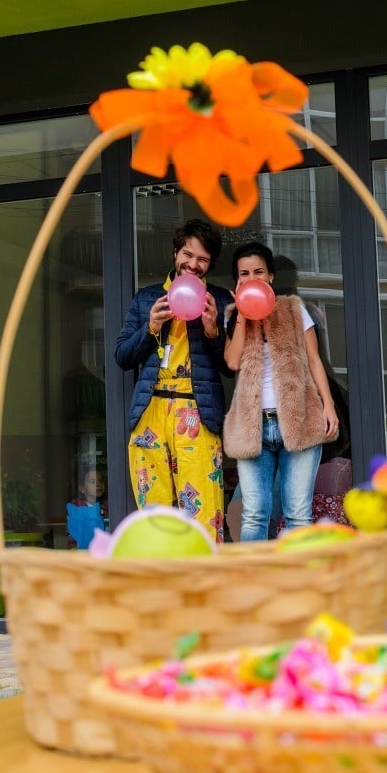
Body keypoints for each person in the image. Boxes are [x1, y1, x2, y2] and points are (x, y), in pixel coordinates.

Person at [115, 218, 233, 542]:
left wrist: (213, 332)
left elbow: (232, 367)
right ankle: (161, 589)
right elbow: (123, 356)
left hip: (198, 414)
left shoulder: (220, 301)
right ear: (175, 253)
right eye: (187, 254)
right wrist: (150, 327)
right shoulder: (146, 299)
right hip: (150, 414)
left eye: (202, 259)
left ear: (210, 264)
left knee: (205, 516)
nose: (193, 264)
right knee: (154, 519)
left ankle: (204, 588)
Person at [223, 242, 339, 541]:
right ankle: (255, 586)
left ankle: (298, 585)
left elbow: (314, 361)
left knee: (298, 515)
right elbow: (232, 361)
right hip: (253, 427)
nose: (252, 279)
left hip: (298, 420)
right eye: (244, 274)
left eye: (258, 271)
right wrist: (242, 316)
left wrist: (328, 405)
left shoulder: (294, 309)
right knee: (254, 514)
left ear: (271, 276)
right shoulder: (233, 317)